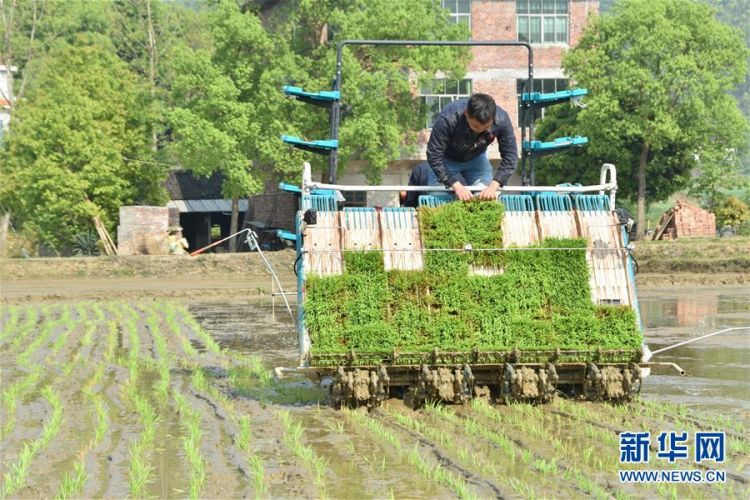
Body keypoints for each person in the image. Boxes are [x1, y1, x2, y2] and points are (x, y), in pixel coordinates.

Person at [422, 93, 518, 201]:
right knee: (439, 198)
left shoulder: (502, 120)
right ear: (466, 113)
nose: (479, 130)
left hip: (477, 159)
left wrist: (493, 186)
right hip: (445, 160)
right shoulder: (448, 118)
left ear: (493, 118)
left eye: (486, 127)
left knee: (485, 199)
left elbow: (511, 157)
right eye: (475, 126)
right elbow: (434, 155)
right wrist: (456, 185)